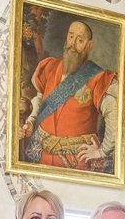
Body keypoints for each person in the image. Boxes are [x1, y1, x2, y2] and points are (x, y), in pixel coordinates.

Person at [19, 20, 118, 172]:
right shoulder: (50, 66)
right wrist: (31, 122)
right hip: (43, 156)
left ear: (89, 46)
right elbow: (40, 98)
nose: (73, 44)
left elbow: (114, 113)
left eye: (80, 40)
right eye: (71, 37)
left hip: (77, 161)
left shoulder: (98, 77)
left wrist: (102, 151)